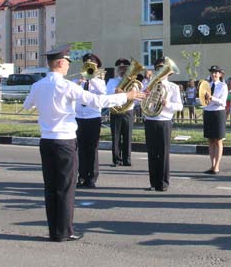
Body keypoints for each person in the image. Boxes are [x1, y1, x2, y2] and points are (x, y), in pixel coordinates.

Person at [23, 46, 142, 242]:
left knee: (51, 187)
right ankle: (64, 231)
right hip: (64, 141)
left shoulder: (38, 85)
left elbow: (28, 105)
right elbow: (96, 101)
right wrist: (126, 96)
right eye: (68, 62)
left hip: (46, 141)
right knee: (66, 188)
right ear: (61, 63)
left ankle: (54, 230)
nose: (69, 66)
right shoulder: (67, 85)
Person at [142, 57, 183, 192]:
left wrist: (167, 104)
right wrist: (144, 96)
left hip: (164, 121)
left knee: (163, 153)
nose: (161, 70)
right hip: (150, 120)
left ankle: (163, 183)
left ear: (168, 72)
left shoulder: (173, 87)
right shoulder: (149, 84)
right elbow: (139, 103)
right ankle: (153, 182)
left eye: (163, 68)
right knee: (152, 153)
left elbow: (179, 106)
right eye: (158, 68)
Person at [74, 53, 106, 188]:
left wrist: (91, 78)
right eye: (86, 65)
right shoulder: (78, 82)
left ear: (96, 67)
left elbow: (103, 93)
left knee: (92, 148)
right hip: (79, 117)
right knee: (80, 148)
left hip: (93, 118)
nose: (88, 68)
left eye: (91, 66)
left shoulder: (99, 82)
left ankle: (92, 177)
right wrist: (79, 82)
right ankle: (81, 176)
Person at [106, 58, 135, 166]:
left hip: (128, 111)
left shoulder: (133, 82)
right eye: (121, 68)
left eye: (125, 68)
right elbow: (107, 93)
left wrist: (128, 92)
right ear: (118, 69)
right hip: (116, 111)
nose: (123, 70)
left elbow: (136, 96)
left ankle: (127, 160)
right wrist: (115, 90)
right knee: (116, 136)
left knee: (127, 136)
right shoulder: (112, 81)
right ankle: (117, 159)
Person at [202, 65, 228, 174]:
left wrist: (212, 97)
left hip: (218, 113)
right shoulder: (207, 85)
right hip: (208, 112)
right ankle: (212, 165)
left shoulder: (223, 86)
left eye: (216, 72)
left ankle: (217, 166)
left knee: (218, 140)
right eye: (212, 72)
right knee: (210, 140)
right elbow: (202, 99)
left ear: (220, 74)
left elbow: (223, 102)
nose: (214, 74)